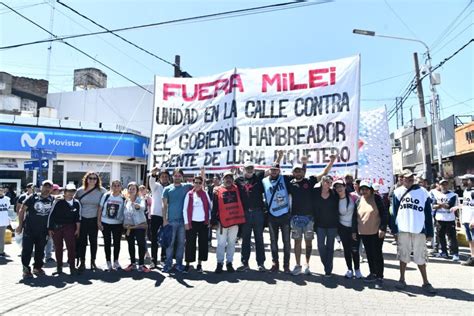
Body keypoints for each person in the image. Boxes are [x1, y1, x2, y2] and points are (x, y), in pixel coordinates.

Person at [391, 169, 437, 294]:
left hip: (419, 229)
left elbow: (428, 213)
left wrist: (430, 232)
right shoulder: (397, 192)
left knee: (421, 256)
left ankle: (426, 282)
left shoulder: (423, 192)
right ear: (401, 178)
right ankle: (401, 279)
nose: (409, 179)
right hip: (403, 229)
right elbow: (394, 213)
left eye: (411, 177)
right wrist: (394, 231)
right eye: (406, 177)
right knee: (403, 255)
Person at [162, 168, 199, 273]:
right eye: (175, 175)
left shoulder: (187, 187)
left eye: (179, 175)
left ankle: (179, 264)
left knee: (181, 244)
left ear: (182, 177)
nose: (177, 177)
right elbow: (164, 205)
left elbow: (199, 186)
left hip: (183, 221)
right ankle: (168, 264)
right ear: (172, 176)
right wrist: (164, 220)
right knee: (170, 243)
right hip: (170, 221)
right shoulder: (167, 189)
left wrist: (202, 173)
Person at [352, 181, 388, 289]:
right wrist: (354, 231)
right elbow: (355, 217)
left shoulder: (376, 198)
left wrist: (382, 228)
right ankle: (372, 273)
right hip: (363, 232)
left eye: (366, 189)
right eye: (362, 189)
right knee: (369, 254)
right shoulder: (358, 200)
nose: (364, 191)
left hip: (376, 232)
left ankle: (379, 277)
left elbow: (384, 214)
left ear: (371, 189)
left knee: (377, 254)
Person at [16, 180, 54, 278]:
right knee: (27, 250)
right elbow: (21, 210)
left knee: (40, 251)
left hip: (43, 231)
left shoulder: (52, 199)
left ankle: (37, 268)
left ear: (51, 188)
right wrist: (20, 225)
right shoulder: (32, 197)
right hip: (29, 230)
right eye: (45, 186)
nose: (47, 188)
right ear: (41, 187)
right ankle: (26, 269)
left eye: (49, 187)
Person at [211, 171, 246, 273]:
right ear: (223, 179)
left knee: (231, 243)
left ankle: (229, 263)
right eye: (226, 177)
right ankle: (219, 263)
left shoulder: (237, 189)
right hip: (222, 223)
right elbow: (214, 207)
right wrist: (213, 221)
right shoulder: (217, 191)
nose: (228, 179)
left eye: (230, 177)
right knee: (221, 244)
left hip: (234, 222)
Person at [235, 160, 266, 272]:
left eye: (251, 168)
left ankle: (261, 263)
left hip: (258, 213)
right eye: (247, 168)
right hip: (245, 214)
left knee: (259, 239)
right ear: (243, 169)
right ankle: (245, 263)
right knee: (246, 240)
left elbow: (271, 170)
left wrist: (279, 157)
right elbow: (228, 187)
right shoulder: (238, 180)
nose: (249, 170)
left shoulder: (258, 177)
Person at [263, 162, 291, 273]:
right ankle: (275, 263)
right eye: (272, 169)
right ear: (269, 170)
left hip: (284, 214)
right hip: (272, 215)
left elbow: (300, 176)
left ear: (279, 170)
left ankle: (286, 264)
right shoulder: (264, 181)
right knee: (273, 241)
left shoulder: (285, 179)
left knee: (286, 241)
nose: (274, 171)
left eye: (276, 169)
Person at [75, 171, 106, 272]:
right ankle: (82, 262)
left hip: (94, 219)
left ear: (97, 180)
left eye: (94, 178)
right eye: (90, 178)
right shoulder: (80, 191)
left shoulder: (102, 191)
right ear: (86, 179)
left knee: (93, 241)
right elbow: (72, 202)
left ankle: (93, 261)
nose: (92, 180)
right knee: (82, 242)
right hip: (82, 219)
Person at [47, 184, 81, 275]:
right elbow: (51, 215)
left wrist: (78, 229)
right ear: (64, 192)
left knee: (71, 248)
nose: (71, 193)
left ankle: (72, 267)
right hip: (57, 227)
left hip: (70, 227)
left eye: (73, 191)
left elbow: (78, 217)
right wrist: (50, 228)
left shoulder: (76, 203)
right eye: (69, 191)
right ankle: (59, 267)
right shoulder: (58, 201)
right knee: (58, 248)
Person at [333, 180, 362, 279]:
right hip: (342, 228)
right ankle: (350, 269)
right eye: (337, 187)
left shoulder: (353, 197)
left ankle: (357, 269)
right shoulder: (335, 199)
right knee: (347, 249)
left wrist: (356, 229)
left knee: (355, 250)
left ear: (345, 187)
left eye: (341, 186)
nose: (339, 189)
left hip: (354, 228)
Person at [183, 175, 211, 273]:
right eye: (196, 182)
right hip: (192, 223)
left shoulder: (205, 193)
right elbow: (184, 209)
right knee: (190, 244)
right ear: (193, 183)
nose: (198, 184)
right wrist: (186, 223)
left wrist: (209, 220)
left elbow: (209, 207)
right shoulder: (189, 194)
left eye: (200, 183)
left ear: (202, 184)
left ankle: (199, 264)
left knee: (203, 243)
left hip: (203, 223)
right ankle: (187, 264)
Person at [313, 174, 339, 277]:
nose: (328, 184)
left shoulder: (334, 194)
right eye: (326, 182)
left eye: (330, 183)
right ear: (322, 182)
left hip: (332, 225)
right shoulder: (315, 192)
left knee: (330, 247)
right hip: (320, 224)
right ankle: (327, 264)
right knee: (320, 246)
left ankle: (328, 269)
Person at [98, 180, 125, 272]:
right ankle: (108, 261)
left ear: (121, 187)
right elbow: (100, 209)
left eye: (118, 185)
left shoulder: (123, 198)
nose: (116, 187)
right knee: (107, 243)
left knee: (117, 243)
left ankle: (116, 261)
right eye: (114, 185)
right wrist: (99, 222)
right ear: (111, 186)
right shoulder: (106, 196)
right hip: (105, 223)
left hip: (118, 224)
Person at [430, 179, 459, 261]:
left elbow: (449, 205)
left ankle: (455, 253)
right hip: (439, 218)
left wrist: (439, 205)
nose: (444, 186)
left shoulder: (453, 195)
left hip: (450, 219)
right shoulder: (436, 194)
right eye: (442, 184)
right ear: (439, 185)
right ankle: (444, 252)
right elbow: (433, 205)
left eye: (446, 184)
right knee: (441, 236)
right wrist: (440, 205)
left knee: (452, 237)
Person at [123, 182, 150, 273]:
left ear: (137, 190)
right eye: (130, 189)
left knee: (141, 244)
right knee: (130, 245)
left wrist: (137, 206)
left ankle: (141, 264)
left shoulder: (140, 199)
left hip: (139, 225)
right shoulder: (126, 200)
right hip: (129, 226)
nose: (131, 190)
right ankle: (133, 263)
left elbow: (142, 207)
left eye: (134, 189)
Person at [148, 167, 170, 268]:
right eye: (162, 176)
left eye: (166, 176)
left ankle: (163, 258)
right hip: (155, 215)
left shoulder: (171, 187)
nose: (164, 178)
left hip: (166, 216)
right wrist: (153, 172)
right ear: (159, 177)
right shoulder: (155, 186)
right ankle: (153, 260)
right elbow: (151, 180)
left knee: (165, 237)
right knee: (154, 238)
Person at [460, 174, 474, 266]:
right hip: (466, 219)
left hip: (472, 219)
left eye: (465, 180)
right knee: (470, 239)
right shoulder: (465, 191)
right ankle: (472, 256)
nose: (462, 182)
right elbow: (466, 204)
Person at [0, 187, 11, 257]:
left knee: (2, 238)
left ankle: (1, 251)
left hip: (3, 221)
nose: (0, 192)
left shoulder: (7, 199)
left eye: (1, 190)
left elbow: (8, 209)